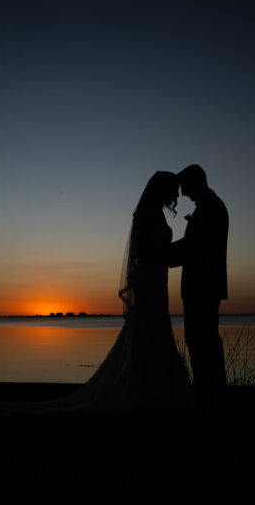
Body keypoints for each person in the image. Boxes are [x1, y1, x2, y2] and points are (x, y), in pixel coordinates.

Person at [26, 171, 193, 414]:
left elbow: (155, 250)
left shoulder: (152, 212)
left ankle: (151, 392)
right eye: (173, 189)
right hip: (150, 282)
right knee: (151, 331)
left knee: (154, 333)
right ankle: (149, 395)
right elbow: (146, 251)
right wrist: (181, 244)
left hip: (156, 280)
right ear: (163, 189)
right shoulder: (149, 214)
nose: (177, 195)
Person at [169, 164, 228, 410]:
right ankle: (211, 395)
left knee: (202, 343)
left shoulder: (211, 208)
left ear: (195, 182)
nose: (182, 194)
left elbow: (194, 247)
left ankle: (210, 399)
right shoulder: (209, 206)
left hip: (202, 288)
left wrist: (161, 255)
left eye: (184, 187)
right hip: (203, 288)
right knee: (203, 343)